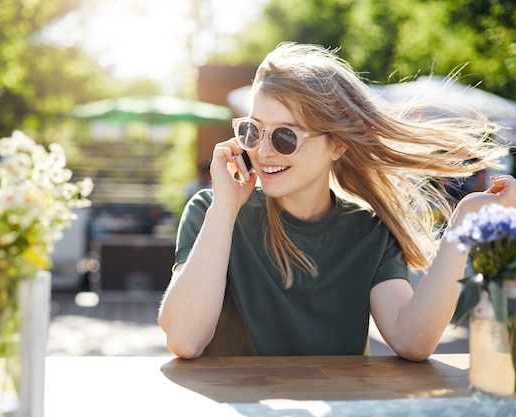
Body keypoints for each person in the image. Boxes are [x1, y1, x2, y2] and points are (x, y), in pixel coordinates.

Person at [158, 42, 516, 361]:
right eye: (253, 130)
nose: (263, 151)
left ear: (337, 144)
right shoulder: (212, 210)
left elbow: (412, 340)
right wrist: (225, 208)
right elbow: (185, 340)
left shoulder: (369, 232)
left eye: (285, 136)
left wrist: (464, 223)